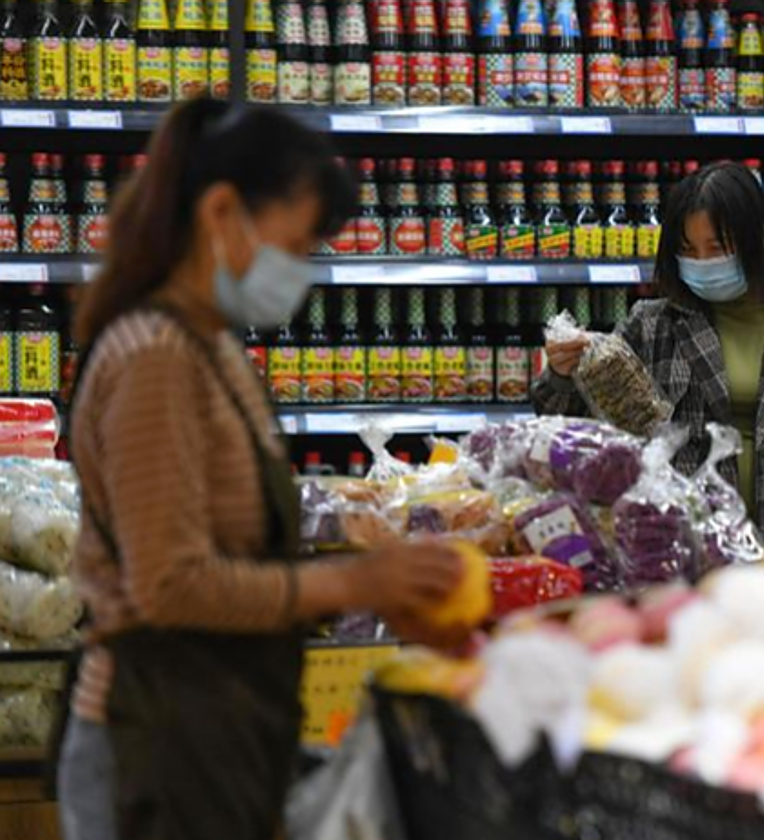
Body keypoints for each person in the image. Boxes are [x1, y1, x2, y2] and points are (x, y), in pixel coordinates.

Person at [59, 99, 465, 840]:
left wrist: (356, 553)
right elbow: (172, 582)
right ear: (221, 212)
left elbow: (231, 537)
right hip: (153, 743)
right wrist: (350, 583)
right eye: (299, 244)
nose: (303, 269)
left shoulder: (210, 343)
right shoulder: (155, 354)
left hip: (213, 724)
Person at [534, 161, 764, 540]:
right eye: (688, 250)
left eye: (717, 248)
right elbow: (576, 432)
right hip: (679, 550)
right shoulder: (650, 326)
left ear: (761, 237)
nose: (702, 263)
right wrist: (564, 376)